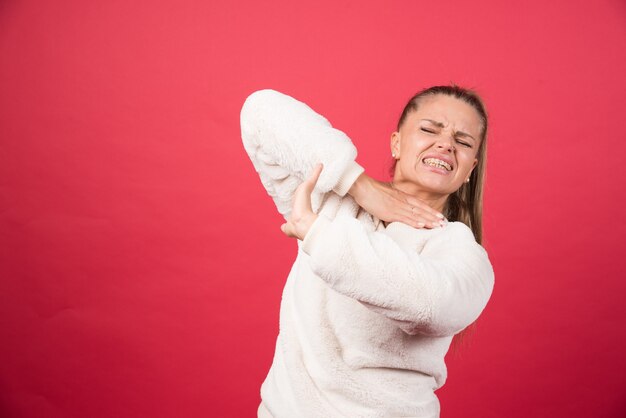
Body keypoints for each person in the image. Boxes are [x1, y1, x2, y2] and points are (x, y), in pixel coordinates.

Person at [241, 86, 495, 418]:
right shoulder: (333, 200)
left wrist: (318, 235)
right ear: (396, 143)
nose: (446, 144)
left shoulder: (459, 248)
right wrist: (358, 184)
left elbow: (434, 305)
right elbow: (260, 112)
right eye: (429, 129)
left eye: (462, 142)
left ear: (470, 168)